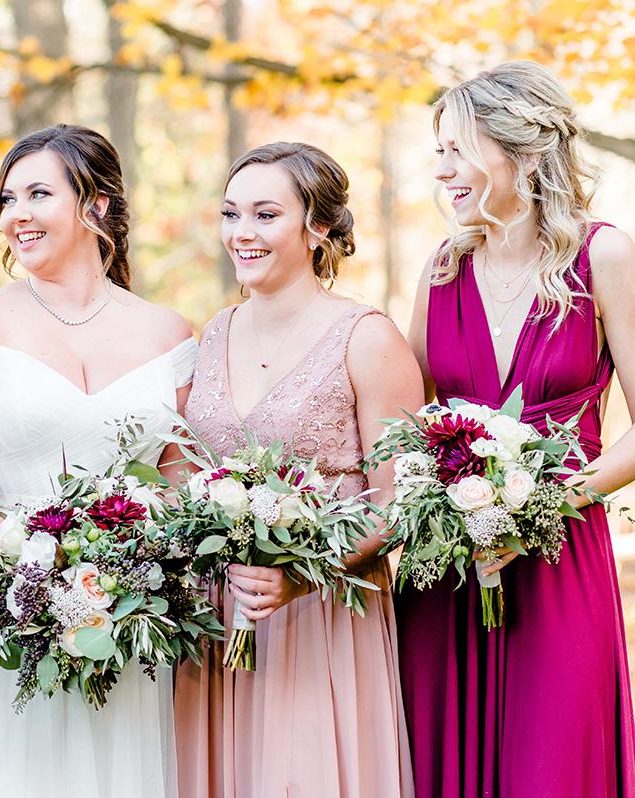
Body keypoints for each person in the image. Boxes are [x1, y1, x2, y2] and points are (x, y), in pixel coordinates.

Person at [0, 124, 196, 797]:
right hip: (5, 603)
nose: (16, 215)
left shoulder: (170, 332)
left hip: (126, 610)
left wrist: (123, 580)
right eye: (8, 200)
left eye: (37, 194)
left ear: (95, 204)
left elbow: (183, 478)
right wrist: (37, 581)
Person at [398, 61, 635, 797]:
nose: (442, 172)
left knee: (554, 764)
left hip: (560, 561)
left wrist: (536, 509)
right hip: (447, 574)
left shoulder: (605, 257)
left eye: (457, 150)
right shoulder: (440, 270)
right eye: (438, 152)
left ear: (524, 153)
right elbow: (403, 433)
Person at [173, 141, 420, 797]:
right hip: (219, 616)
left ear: (317, 227)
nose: (241, 234)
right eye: (231, 214)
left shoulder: (368, 338)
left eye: (264, 215)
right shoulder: (215, 333)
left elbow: (400, 502)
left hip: (323, 618)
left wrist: (300, 577)